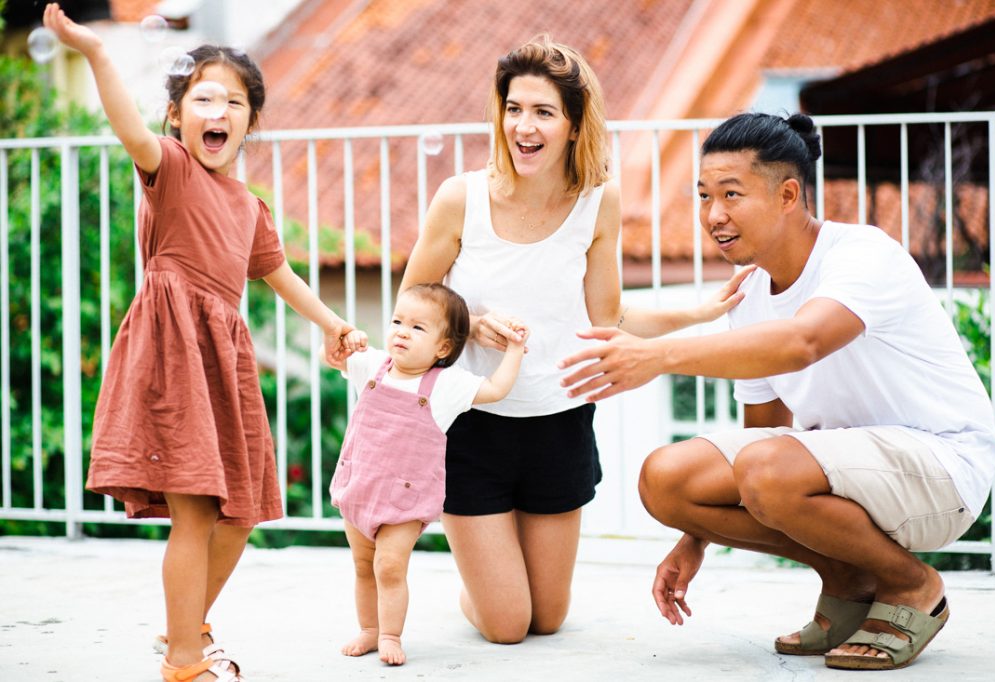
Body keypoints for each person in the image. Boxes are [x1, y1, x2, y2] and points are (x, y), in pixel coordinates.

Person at [558, 112, 995, 670]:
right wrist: (695, 536)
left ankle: (911, 585)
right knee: (667, 481)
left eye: (731, 195)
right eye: (703, 196)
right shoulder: (753, 295)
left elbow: (804, 341)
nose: (713, 216)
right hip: (848, 472)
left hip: (940, 468)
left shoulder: (862, 254)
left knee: (767, 468)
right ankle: (849, 578)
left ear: (789, 193)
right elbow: (763, 433)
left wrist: (658, 356)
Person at [399, 35, 753, 644]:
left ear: (572, 123)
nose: (524, 126)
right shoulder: (461, 198)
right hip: (471, 423)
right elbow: (413, 307)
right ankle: (483, 585)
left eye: (543, 112)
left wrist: (698, 314)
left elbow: (607, 319)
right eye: (513, 109)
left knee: (548, 618)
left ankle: (497, 576)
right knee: (508, 626)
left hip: (559, 420)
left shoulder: (598, 202)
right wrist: (469, 324)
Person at [43, 5, 360, 681]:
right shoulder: (172, 168)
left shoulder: (249, 206)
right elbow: (127, 127)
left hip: (223, 359)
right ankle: (185, 658)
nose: (219, 110)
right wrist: (97, 52)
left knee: (239, 515)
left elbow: (281, 275)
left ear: (250, 121)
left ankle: (182, 628)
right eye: (204, 98)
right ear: (178, 116)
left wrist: (332, 324)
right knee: (192, 518)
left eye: (235, 102)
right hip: (172, 353)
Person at [322, 283, 527, 665]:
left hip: (404, 500)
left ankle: (389, 634)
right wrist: (345, 339)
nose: (402, 331)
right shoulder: (372, 365)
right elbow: (331, 357)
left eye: (418, 328)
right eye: (398, 321)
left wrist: (514, 351)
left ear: (443, 348)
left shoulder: (445, 386)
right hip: (359, 489)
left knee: (389, 566)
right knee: (363, 566)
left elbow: (497, 389)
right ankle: (368, 629)